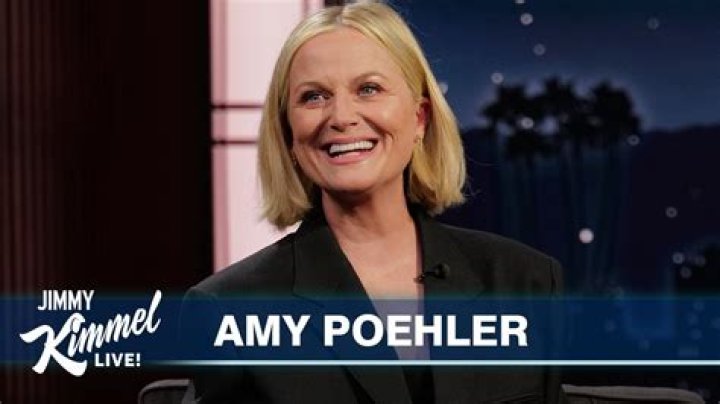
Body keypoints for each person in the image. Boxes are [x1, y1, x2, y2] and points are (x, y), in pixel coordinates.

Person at [184, 2, 565, 403]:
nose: (341, 116)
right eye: (314, 97)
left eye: (368, 89)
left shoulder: (526, 283)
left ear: (419, 119)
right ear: (289, 134)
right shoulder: (229, 309)